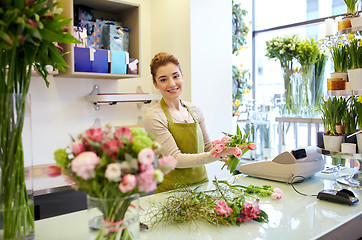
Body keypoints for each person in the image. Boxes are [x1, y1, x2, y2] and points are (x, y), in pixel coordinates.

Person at [144, 52, 233, 193]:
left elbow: (207, 146)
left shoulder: (194, 110)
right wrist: (215, 155)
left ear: (182, 76)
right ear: (155, 84)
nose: (172, 84)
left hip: (202, 187)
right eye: (163, 79)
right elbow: (175, 159)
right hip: (170, 193)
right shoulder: (154, 116)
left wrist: (227, 153)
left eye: (175, 76)